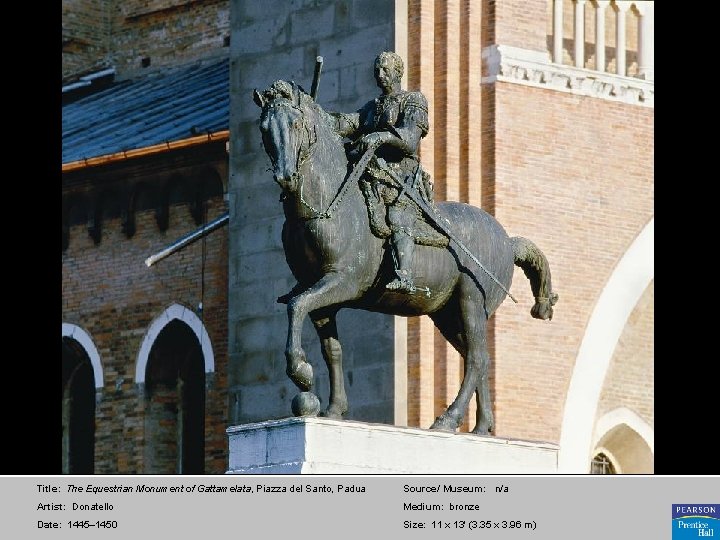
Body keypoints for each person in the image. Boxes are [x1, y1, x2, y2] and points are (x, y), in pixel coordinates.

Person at [331, 51, 444, 293]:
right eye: (377, 70)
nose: (379, 75)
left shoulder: (413, 101)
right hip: (373, 173)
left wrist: (380, 136)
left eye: (384, 69)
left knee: (397, 215)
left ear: (397, 72)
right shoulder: (372, 107)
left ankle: (404, 275)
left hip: (401, 175)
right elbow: (349, 123)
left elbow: (411, 139)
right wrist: (318, 117)